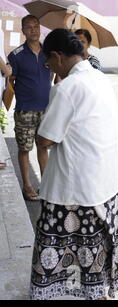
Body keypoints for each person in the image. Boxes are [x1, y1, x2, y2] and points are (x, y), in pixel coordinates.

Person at [30, 29, 118, 300]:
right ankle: (99, 293)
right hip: (103, 182)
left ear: (57, 56)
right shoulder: (99, 77)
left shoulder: (67, 88)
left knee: (65, 250)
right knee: (94, 248)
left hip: (73, 189)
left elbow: (46, 139)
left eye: (48, 62)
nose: (48, 68)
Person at [7, 15, 52, 201]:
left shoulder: (49, 52)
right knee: (24, 148)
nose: (33, 30)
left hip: (46, 109)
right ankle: (27, 186)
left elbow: (54, 75)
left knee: (44, 147)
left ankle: (47, 185)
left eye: (35, 26)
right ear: (23, 30)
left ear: (40, 28)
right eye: (28, 27)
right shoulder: (16, 55)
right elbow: (10, 80)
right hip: (25, 109)